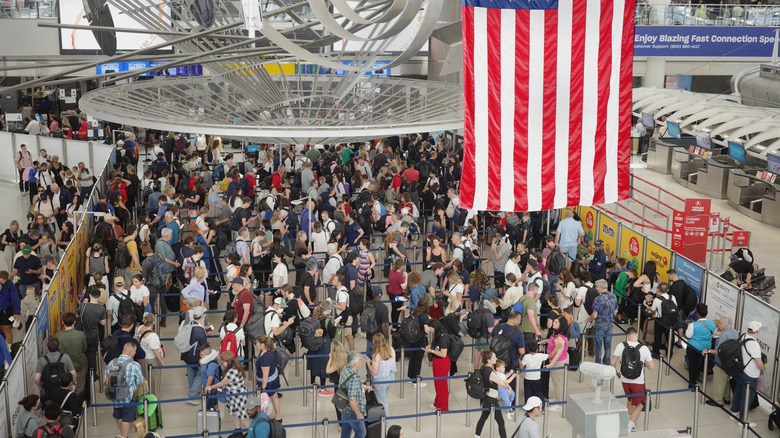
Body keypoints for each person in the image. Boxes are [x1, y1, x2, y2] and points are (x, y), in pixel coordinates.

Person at [610, 327, 655, 433]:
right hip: (638, 380)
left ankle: (633, 422)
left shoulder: (621, 346)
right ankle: (630, 425)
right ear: (637, 335)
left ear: (627, 335)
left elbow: (612, 362)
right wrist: (644, 364)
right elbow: (652, 367)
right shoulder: (644, 348)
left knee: (629, 399)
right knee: (642, 402)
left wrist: (616, 372)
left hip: (624, 378)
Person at [105, 343, 145, 438]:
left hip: (114, 395)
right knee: (126, 419)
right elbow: (140, 381)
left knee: (119, 416)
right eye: (135, 351)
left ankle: (123, 435)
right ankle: (124, 436)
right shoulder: (134, 365)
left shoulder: (112, 363)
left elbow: (106, 379)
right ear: (131, 352)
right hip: (128, 397)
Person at [205, 351, 251, 432]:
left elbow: (222, 383)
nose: (222, 364)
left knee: (243, 416)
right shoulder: (233, 367)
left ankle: (253, 432)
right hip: (233, 395)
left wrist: (211, 387)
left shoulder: (232, 371)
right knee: (235, 414)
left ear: (228, 362)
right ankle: (238, 430)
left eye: (223, 362)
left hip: (238, 396)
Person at [731, 321, 764, 423]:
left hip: (742, 370)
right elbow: (758, 363)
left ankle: (734, 412)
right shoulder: (754, 345)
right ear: (757, 331)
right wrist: (763, 368)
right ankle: (743, 419)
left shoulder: (743, 337)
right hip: (751, 374)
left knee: (738, 392)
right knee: (747, 397)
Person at [705, 317, 738, 407]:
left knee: (719, 381)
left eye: (720, 323)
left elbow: (719, 351)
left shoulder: (723, 336)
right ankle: (726, 398)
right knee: (727, 379)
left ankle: (718, 400)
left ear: (726, 325)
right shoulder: (735, 333)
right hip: (731, 362)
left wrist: (708, 351)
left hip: (721, 362)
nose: (718, 325)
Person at [474, 350, 508, 438]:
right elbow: (503, 384)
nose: (496, 359)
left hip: (485, 397)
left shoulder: (483, 367)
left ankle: (477, 436)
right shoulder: (491, 373)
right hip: (491, 399)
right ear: (488, 360)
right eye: (494, 357)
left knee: (483, 417)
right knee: (500, 421)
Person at [54, 312, 87, 395]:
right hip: (79, 366)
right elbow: (84, 348)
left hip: (64, 369)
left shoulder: (57, 336)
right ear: (74, 322)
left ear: (62, 322)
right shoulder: (80, 334)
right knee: (79, 388)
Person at [684, 303, 715, 389]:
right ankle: (698, 375)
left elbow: (687, 336)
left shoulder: (692, 325)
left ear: (697, 313)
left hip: (694, 348)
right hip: (706, 348)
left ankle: (692, 384)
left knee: (693, 365)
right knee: (699, 362)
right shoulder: (712, 324)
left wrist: (690, 326)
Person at [338, 350, 369, 438]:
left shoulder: (346, 369)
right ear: (356, 363)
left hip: (344, 408)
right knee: (361, 432)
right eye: (360, 359)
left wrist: (362, 386)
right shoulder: (354, 377)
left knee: (346, 432)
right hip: (352, 411)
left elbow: (348, 386)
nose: (361, 361)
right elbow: (352, 399)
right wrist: (358, 413)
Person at [181, 306, 208, 404]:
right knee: (200, 375)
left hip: (187, 354)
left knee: (191, 373)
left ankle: (193, 393)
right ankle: (191, 396)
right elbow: (204, 346)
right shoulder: (199, 330)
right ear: (202, 316)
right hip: (196, 356)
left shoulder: (188, 325)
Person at [542, 315, 569, 410]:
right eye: (554, 321)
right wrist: (546, 341)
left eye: (556, 322)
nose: (553, 323)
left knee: (558, 383)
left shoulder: (560, 338)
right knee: (557, 382)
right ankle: (558, 399)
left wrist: (551, 364)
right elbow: (553, 341)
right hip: (557, 361)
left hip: (558, 362)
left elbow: (558, 352)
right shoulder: (556, 333)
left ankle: (560, 404)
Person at [588, 279, 617, 365]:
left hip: (600, 324)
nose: (596, 289)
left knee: (598, 345)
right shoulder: (613, 296)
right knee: (608, 345)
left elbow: (594, 315)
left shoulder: (598, 299)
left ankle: (598, 362)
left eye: (597, 287)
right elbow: (615, 311)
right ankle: (606, 362)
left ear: (600, 287)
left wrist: (590, 319)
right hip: (610, 324)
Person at [255, 335, 283, 422]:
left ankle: (264, 418)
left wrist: (263, 388)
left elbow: (265, 374)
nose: (256, 344)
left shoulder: (265, 357)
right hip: (273, 377)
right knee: (274, 396)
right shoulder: (269, 350)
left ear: (262, 344)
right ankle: (278, 416)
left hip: (268, 381)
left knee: (266, 400)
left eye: (257, 343)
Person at [367, 333, 396, 416]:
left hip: (380, 381)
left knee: (383, 402)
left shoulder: (376, 356)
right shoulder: (391, 349)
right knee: (383, 397)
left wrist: (369, 364)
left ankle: (385, 421)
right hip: (390, 377)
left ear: (374, 342)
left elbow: (374, 372)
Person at [425, 319, 450, 411]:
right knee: (437, 384)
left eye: (431, 328)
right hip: (436, 361)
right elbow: (436, 344)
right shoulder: (438, 334)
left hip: (442, 363)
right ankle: (438, 402)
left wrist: (431, 351)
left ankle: (443, 406)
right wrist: (430, 346)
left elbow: (443, 354)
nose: (430, 329)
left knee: (442, 385)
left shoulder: (444, 337)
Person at [138, 313, 164, 395]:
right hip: (152, 359)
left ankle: (146, 393)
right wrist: (161, 360)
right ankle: (154, 396)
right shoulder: (153, 336)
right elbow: (155, 351)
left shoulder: (140, 328)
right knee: (155, 378)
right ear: (153, 322)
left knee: (145, 376)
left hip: (143, 358)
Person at [0, 270, 21, 344]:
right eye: (2, 280)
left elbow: (15, 299)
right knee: (1, 327)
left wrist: (16, 312)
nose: (4, 282)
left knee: (7, 327)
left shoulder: (9, 284)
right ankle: (3, 342)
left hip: (7, 308)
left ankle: (9, 347)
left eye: (5, 280)